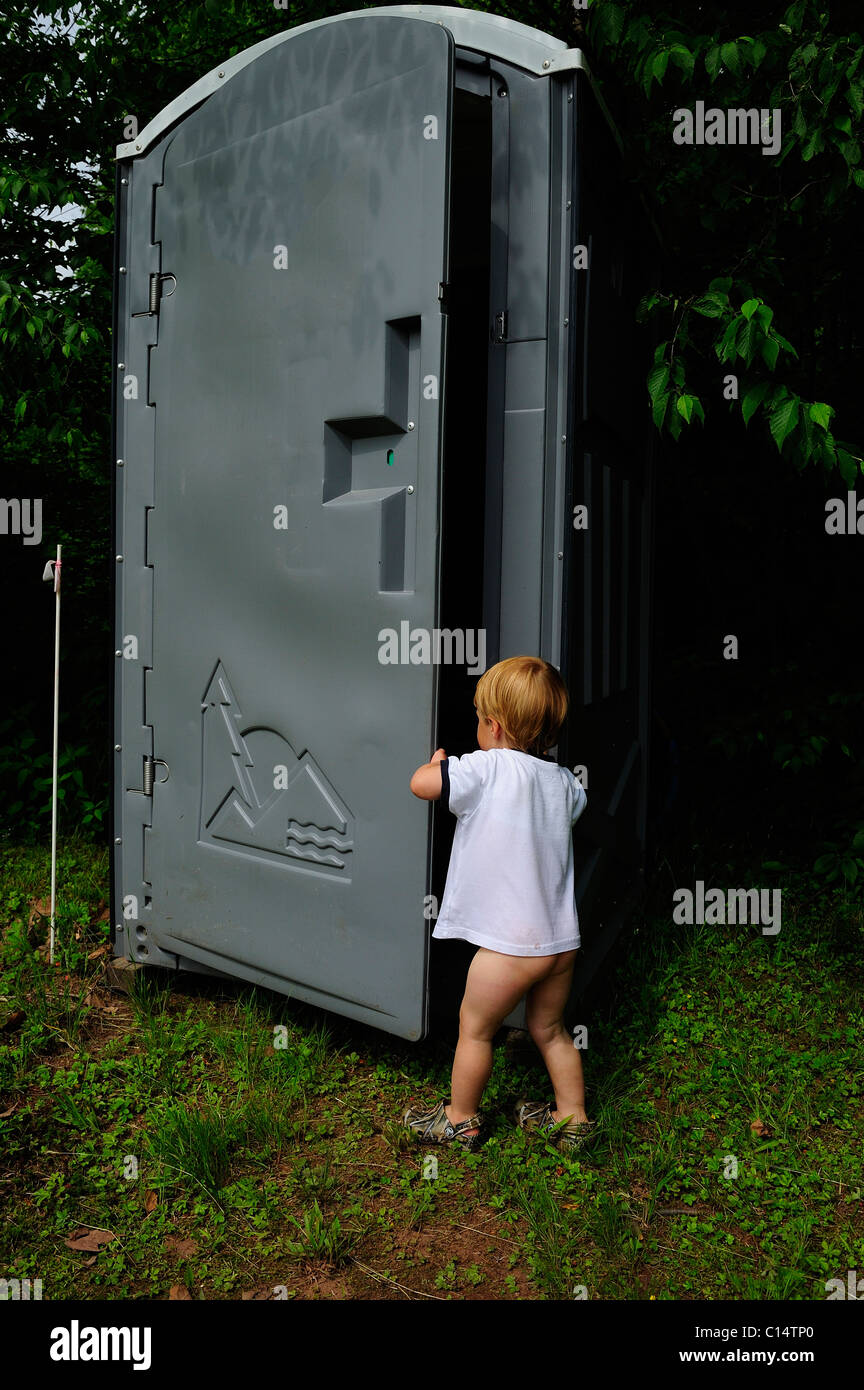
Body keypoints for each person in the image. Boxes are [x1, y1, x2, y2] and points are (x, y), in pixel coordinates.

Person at [402, 655, 597, 1154]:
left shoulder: (484, 768)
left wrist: (437, 764)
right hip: (560, 944)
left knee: (476, 1031)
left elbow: (422, 786)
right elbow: (569, 813)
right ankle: (573, 1120)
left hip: (510, 949)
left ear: (494, 725)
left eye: (478, 718)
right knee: (550, 1030)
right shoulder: (564, 784)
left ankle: (460, 1119)